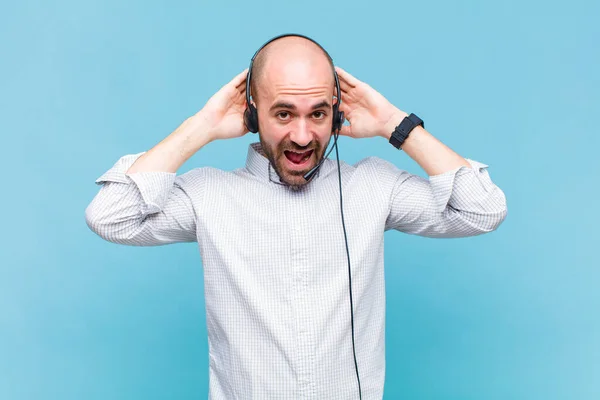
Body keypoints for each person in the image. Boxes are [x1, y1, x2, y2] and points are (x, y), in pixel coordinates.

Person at [85, 34, 507, 400]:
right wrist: (203, 126)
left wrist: (393, 123)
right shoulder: (207, 194)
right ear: (252, 115)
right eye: (283, 113)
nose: (302, 136)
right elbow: (110, 216)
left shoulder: (374, 187)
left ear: (337, 114)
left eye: (318, 114)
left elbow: (482, 209)